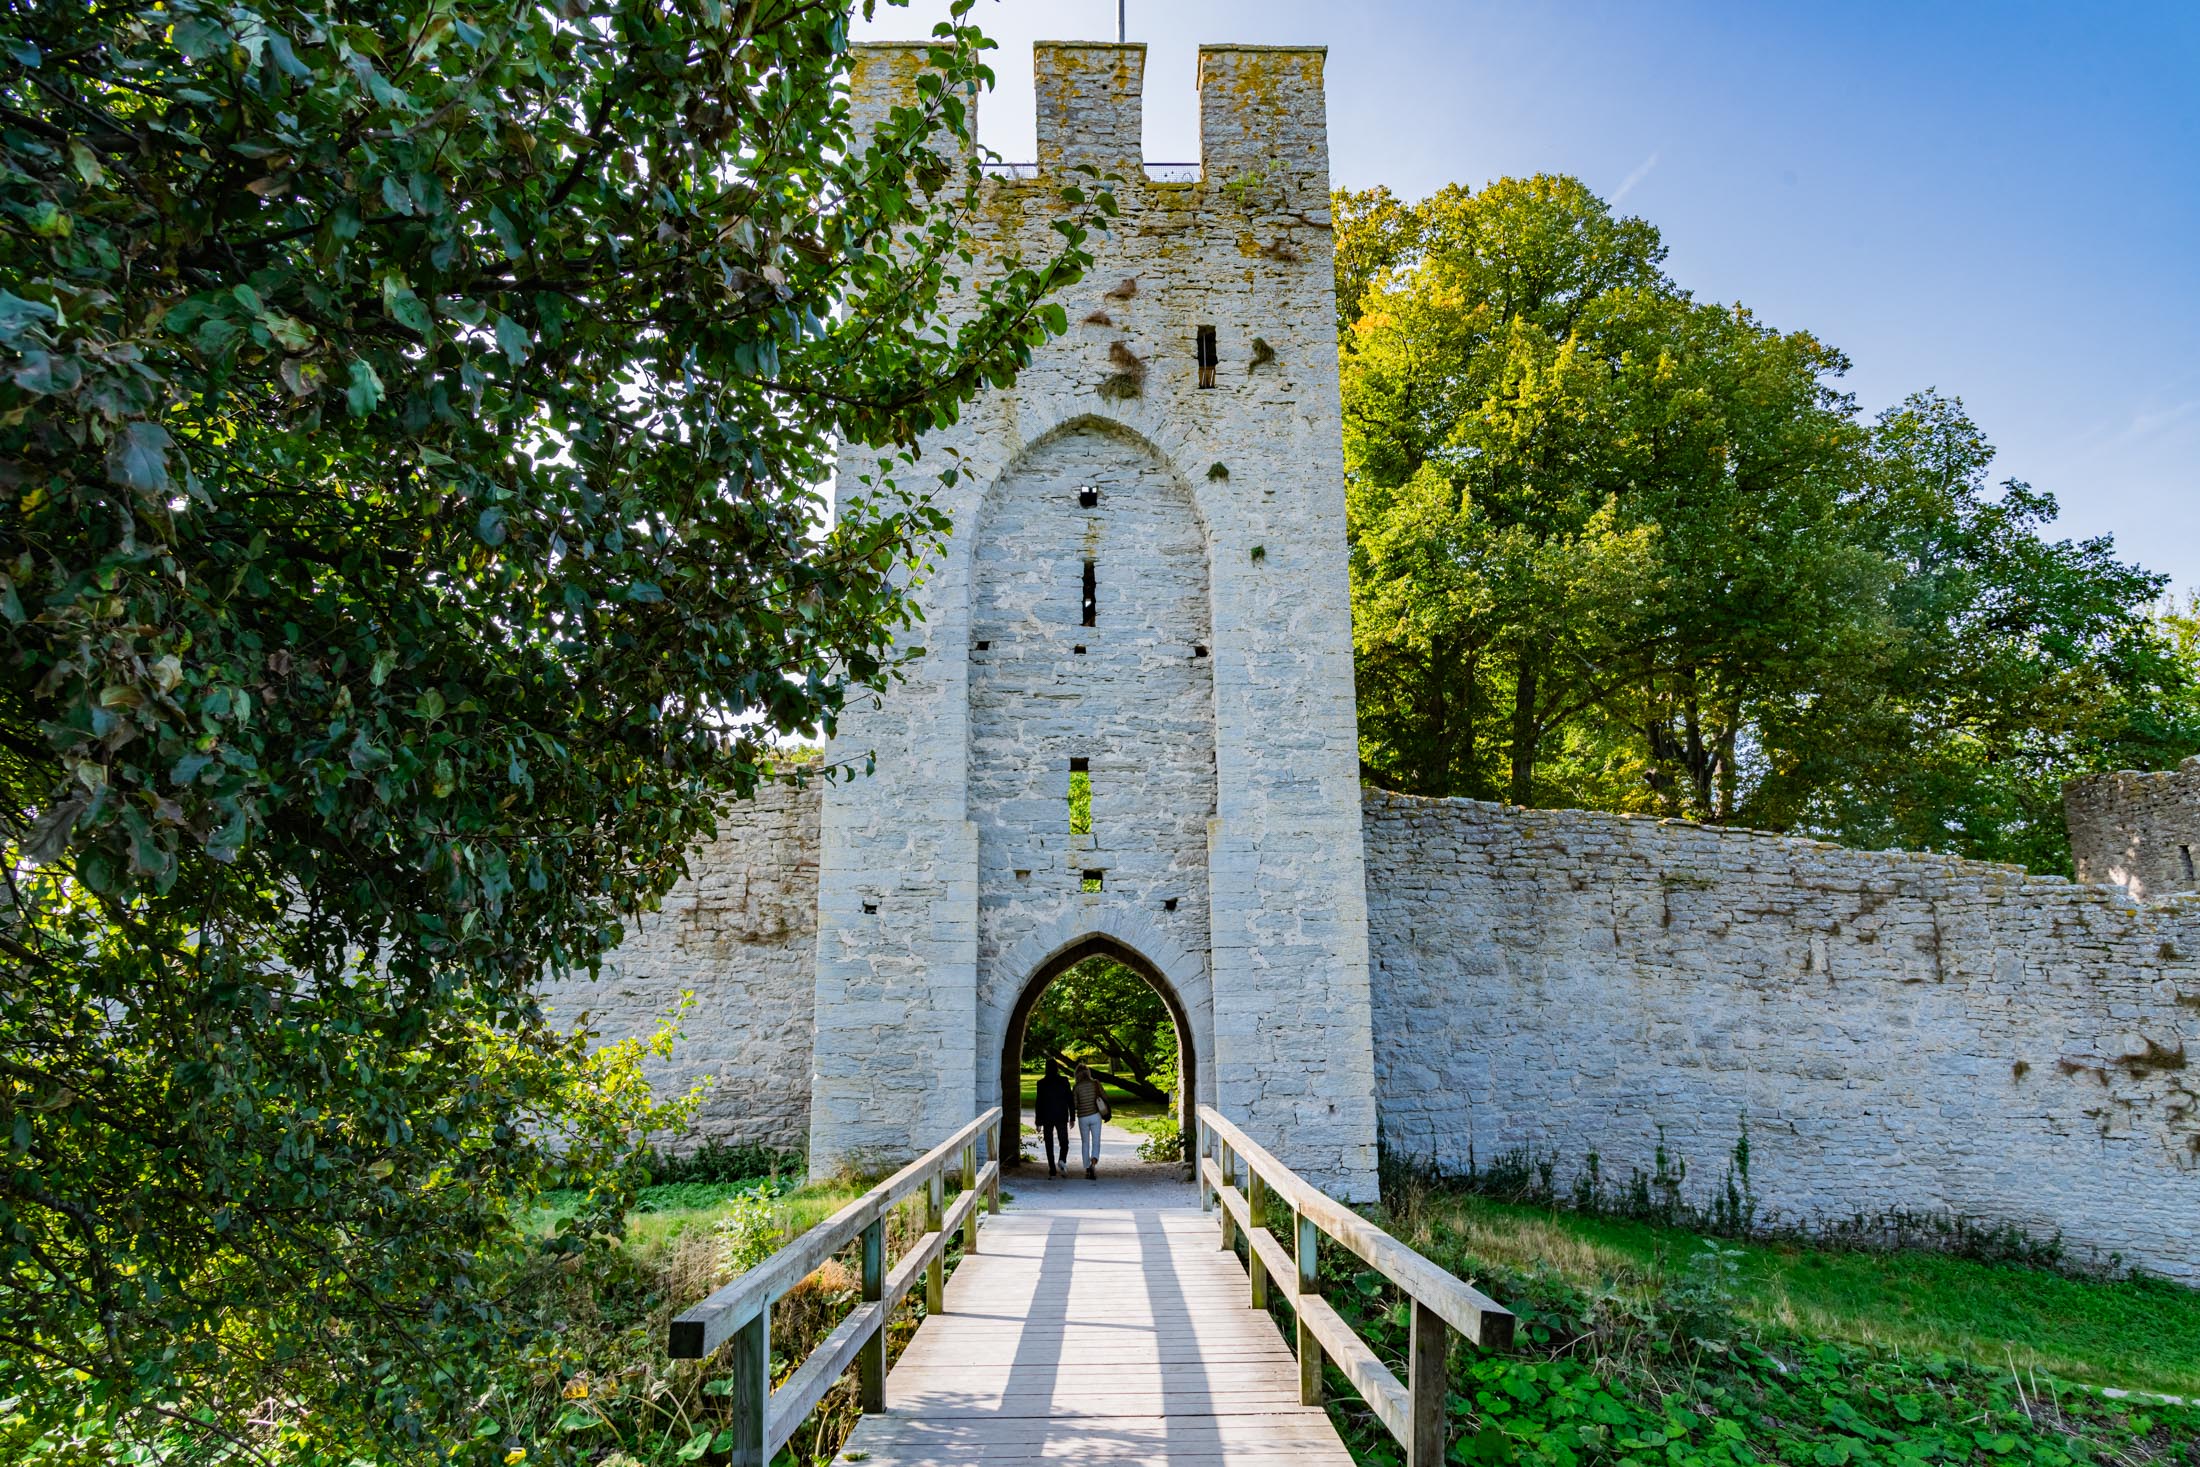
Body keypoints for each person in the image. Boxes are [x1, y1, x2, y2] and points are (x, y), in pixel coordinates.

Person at [1033, 1059, 1073, 1177]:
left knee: (1049, 1143)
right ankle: (1062, 1160)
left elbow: (1039, 1103)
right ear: (1057, 1068)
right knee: (1064, 1141)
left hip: (1047, 1117)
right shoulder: (1064, 1081)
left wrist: (1038, 1122)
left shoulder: (1041, 1083)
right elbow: (1070, 1100)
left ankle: (1052, 1167)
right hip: (1061, 1115)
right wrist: (1072, 1117)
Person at [1072, 1062, 1109, 1179]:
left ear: (1077, 1074)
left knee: (1085, 1143)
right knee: (1096, 1140)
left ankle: (1087, 1168)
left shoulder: (1076, 1087)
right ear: (1088, 1073)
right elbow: (1105, 1096)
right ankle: (1093, 1163)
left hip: (1083, 1117)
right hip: (1095, 1115)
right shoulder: (1095, 1083)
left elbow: (1074, 1105)